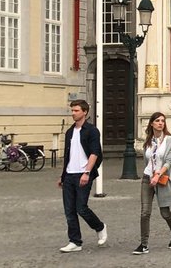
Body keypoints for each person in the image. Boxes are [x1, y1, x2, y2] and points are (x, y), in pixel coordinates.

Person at [58, 99, 106, 253]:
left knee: (81, 208)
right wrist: (63, 175)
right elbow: (68, 155)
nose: (73, 113)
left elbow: (94, 153)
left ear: (84, 112)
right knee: (69, 210)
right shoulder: (70, 132)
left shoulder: (91, 131)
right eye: (72, 110)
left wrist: (87, 172)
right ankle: (75, 241)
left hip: (83, 173)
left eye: (76, 110)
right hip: (70, 174)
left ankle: (100, 227)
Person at [132, 112, 171, 255]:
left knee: (165, 212)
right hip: (147, 178)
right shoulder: (148, 141)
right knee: (145, 212)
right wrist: (150, 174)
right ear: (152, 123)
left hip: (161, 179)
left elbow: (169, 161)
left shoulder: (169, 140)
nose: (161, 123)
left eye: (163, 121)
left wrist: (158, 174)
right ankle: (144, 244)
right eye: (158, 121)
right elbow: (148, 161)